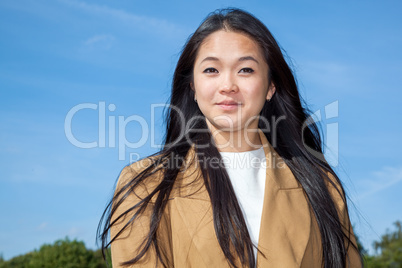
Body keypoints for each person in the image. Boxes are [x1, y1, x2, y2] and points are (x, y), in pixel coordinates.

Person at [98, 8, 362, 268]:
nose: (228, 85)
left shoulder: (322, 186)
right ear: (192, 86)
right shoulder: (145, 186)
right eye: (211, 70)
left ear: (271, 86)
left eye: (245, 70)